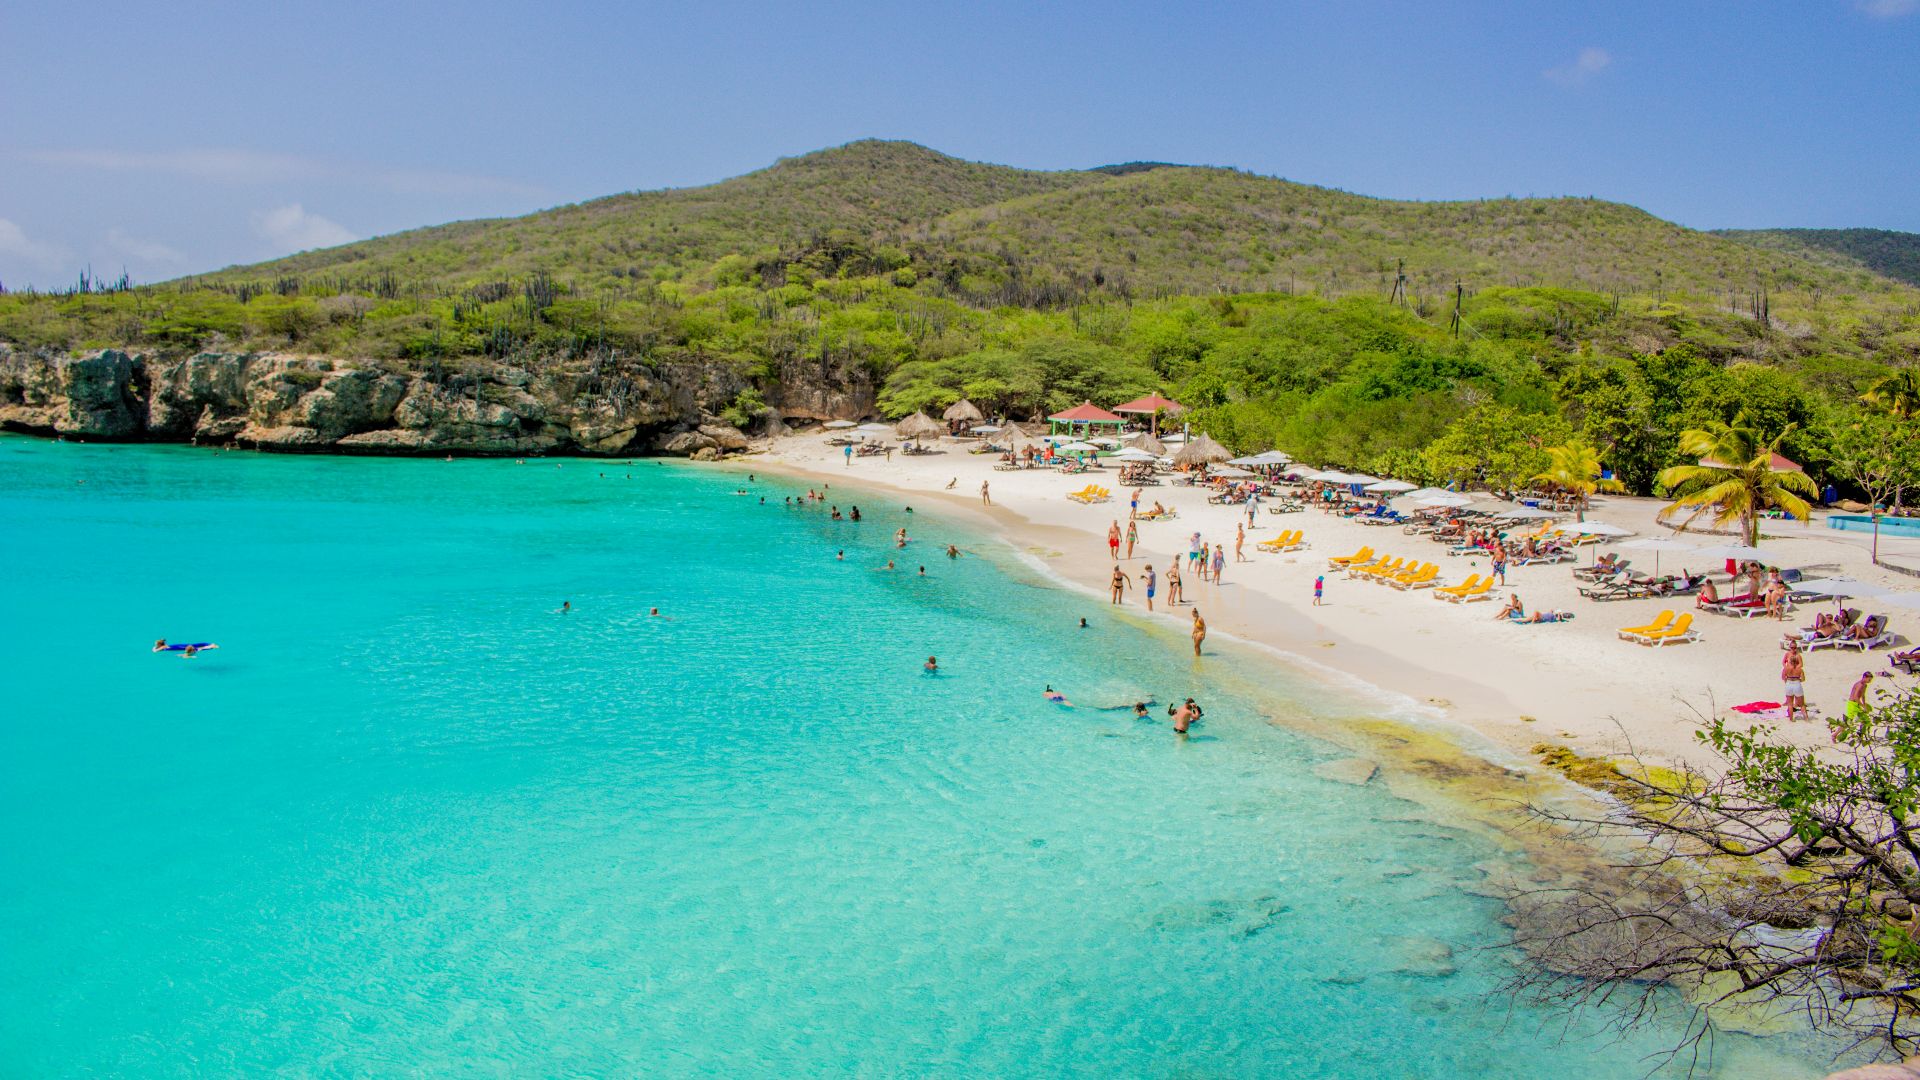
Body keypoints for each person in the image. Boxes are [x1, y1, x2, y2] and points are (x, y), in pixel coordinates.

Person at [1781, 641, 1808, 721]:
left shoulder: (1786, 669)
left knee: (1790, 704)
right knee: (1802, 704)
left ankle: (1791, 719)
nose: (1793, 649)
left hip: (1789, 683)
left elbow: (1783, 677)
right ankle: (1806, 718)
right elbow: (1803, 679)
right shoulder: (1800, 670)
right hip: (1797, 683)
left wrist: (1787, 670)